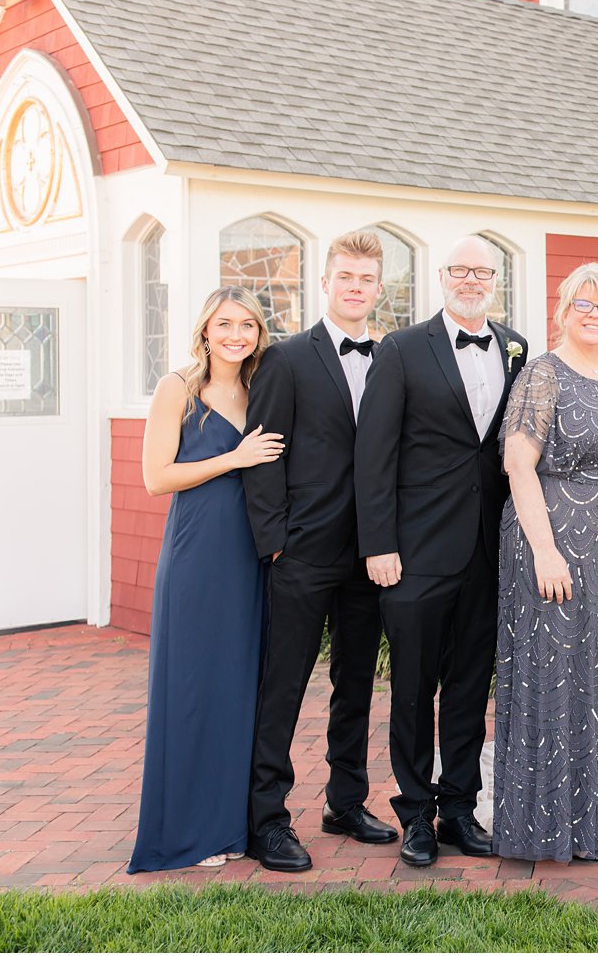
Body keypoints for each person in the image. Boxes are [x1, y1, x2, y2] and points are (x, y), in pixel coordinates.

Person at [355, 235, 529, 867]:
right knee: (411, 689)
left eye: (483, 271)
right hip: (415, 551)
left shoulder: (517, 347)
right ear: (442, 276)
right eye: (461, 270)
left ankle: (459, 807)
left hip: (488, 550)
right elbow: (372, 454)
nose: (472, 280)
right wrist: (378, 543)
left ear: (496, 279)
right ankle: (415, 814)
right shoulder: (401, 349)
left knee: (467, 687)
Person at [242, 231, 396, 873]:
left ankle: (345, 800)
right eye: (345, 277)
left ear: (379, 288)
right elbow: (264, 451)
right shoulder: (287, 359)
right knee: (283, 686)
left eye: (366, 279)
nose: (355, 287)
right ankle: (266, 818)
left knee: (355, 683)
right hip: (302, 553)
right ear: (326, 283)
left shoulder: (393, 358)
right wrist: (274, 542)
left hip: (370, 555)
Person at [493, 264, 598, 863]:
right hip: (553, 546)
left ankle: (586, 818)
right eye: (584, 304)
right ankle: (539, 826)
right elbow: (517, 465)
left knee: (593, 679)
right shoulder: (543, 373)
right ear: (563, 310)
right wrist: (544, 550)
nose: (594, 314)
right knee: (551, 676)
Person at [129, 286, 283, 873]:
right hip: (197, 558)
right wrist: (233, 458)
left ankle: (232, 824)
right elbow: (155, 478)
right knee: (191, 689)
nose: (236, 334)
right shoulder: (179, 389)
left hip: (251, 556)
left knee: (239, 690)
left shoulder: (261, 388)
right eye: (225, 324)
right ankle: (187, 832)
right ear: (206, 329)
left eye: (247, 325)